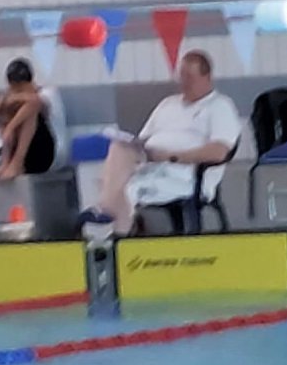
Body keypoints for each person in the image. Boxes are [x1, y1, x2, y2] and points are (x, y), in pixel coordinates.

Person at [93, 49, 241, 235]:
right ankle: (114, 229)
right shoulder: (168, 104)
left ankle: (110, 227)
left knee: (119, 188)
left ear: (207, 77)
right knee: (118, 150)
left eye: (190, 77)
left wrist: (172, 157)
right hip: (150, 165)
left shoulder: (220, 106)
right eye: (182, 76)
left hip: (184, 176)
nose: (184, 82)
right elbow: (143, 140)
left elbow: (219, 151)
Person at [0, 58, 56, 181]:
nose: (16, 92)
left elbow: (35, 101)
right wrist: (5, 104)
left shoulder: (47, 93)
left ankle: (16, 163)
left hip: (46, 152)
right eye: (14, 89)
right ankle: (6, 163)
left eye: (20, 89)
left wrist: (10, 127)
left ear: (30, 83)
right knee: (6, 110)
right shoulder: (17, 98)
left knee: (30, 110)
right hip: (25, 153)